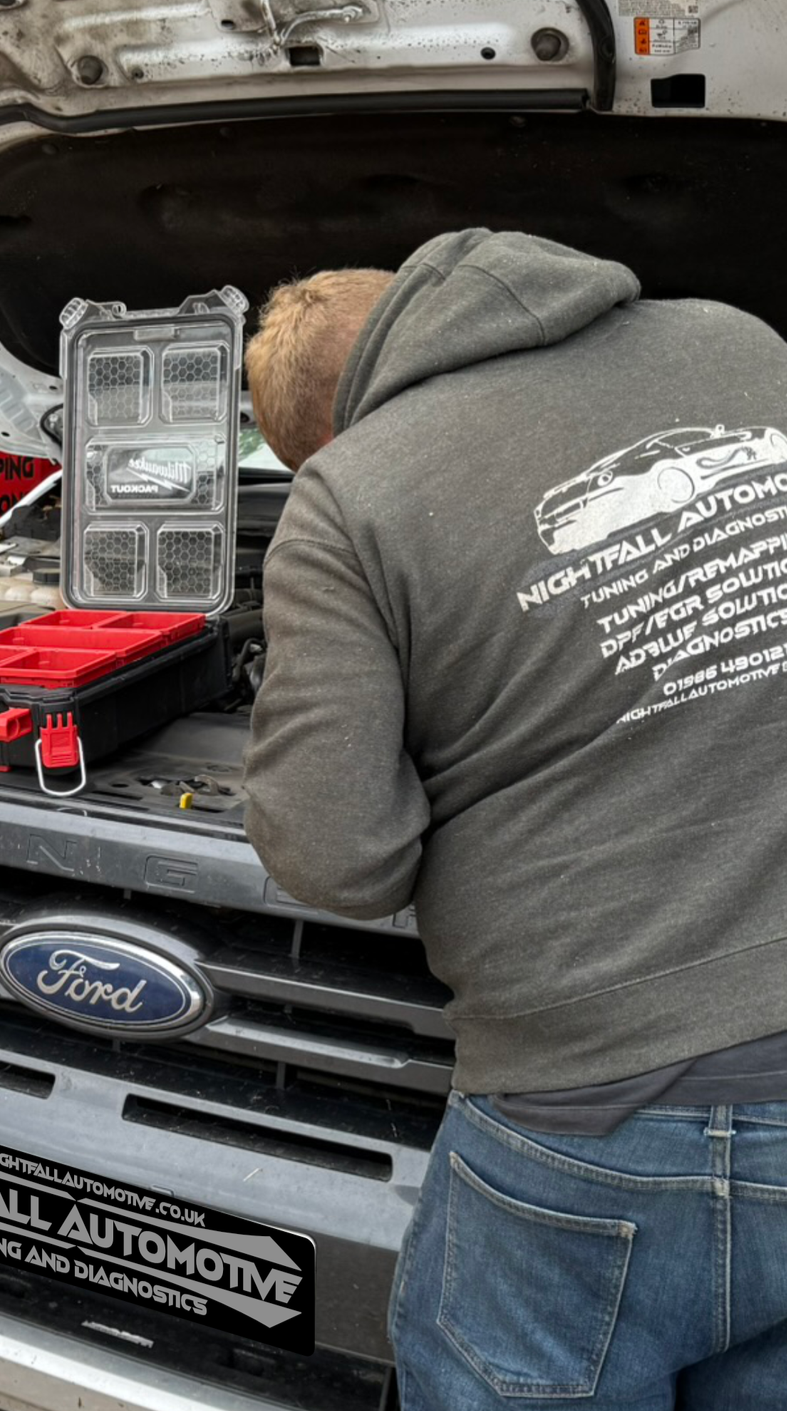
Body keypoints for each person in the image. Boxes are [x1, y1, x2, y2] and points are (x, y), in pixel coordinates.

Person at [240, 229, 787, 1410]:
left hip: (598, 1116)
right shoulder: (744, 341)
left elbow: (340, 857)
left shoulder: (353, 492)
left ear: (329, 431)